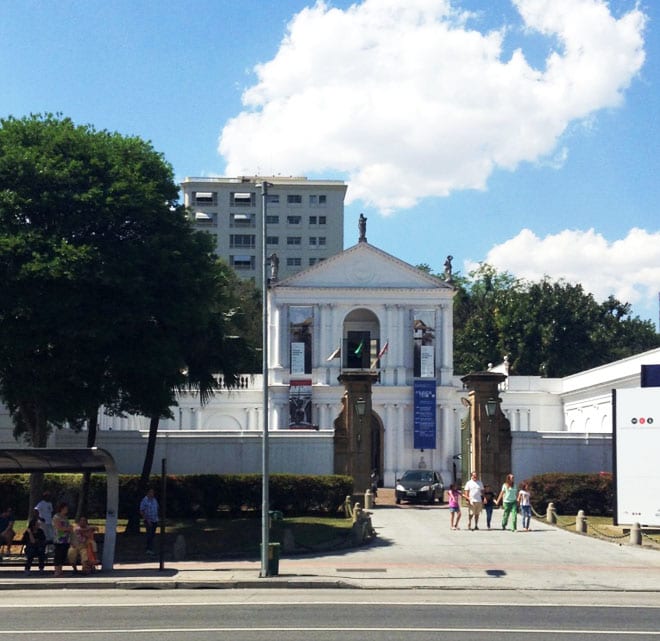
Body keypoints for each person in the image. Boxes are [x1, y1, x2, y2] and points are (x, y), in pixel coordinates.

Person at [52, 502, 72, 577]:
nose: (67, 510)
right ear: (62, 508)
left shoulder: (65, 517)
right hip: (59, 539)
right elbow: (58, 527)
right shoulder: (56, 517)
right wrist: (67, 529)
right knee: (58, 554)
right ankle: (56, 570)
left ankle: (60, 570)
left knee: (63, 555)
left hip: (66, 539)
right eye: (65, 508)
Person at [139, 488, 159, 555]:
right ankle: (148, 549)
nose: (152, 493)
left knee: (153, 535)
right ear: (148, 493)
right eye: (151, 492)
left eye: (153, 492)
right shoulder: (144, 501)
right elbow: (142, 511)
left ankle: (151, 548)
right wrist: (147, 519)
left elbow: (157, 508)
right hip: (148, 520)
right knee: (149, 535)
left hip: (155, 519)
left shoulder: (154, 500)